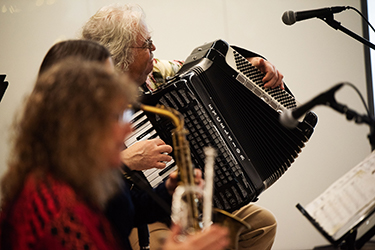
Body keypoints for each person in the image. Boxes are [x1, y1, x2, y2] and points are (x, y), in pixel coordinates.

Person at [81, 3, 279, 250]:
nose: (154, 48)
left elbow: (209, 69)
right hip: (132, 210)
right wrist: (125, 160)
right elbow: (76, 177)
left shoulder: (154, 73)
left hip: (178, 198)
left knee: (262, 225)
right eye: (146, 44)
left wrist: (252, 62)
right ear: (119, 55)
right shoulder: (85, 103)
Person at [0, 55, 230, 250]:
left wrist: (168, 191)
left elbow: (129, 211)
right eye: (114, 118)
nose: (128, 129)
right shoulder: (55, 212)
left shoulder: (75, 178)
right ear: (76, 129)